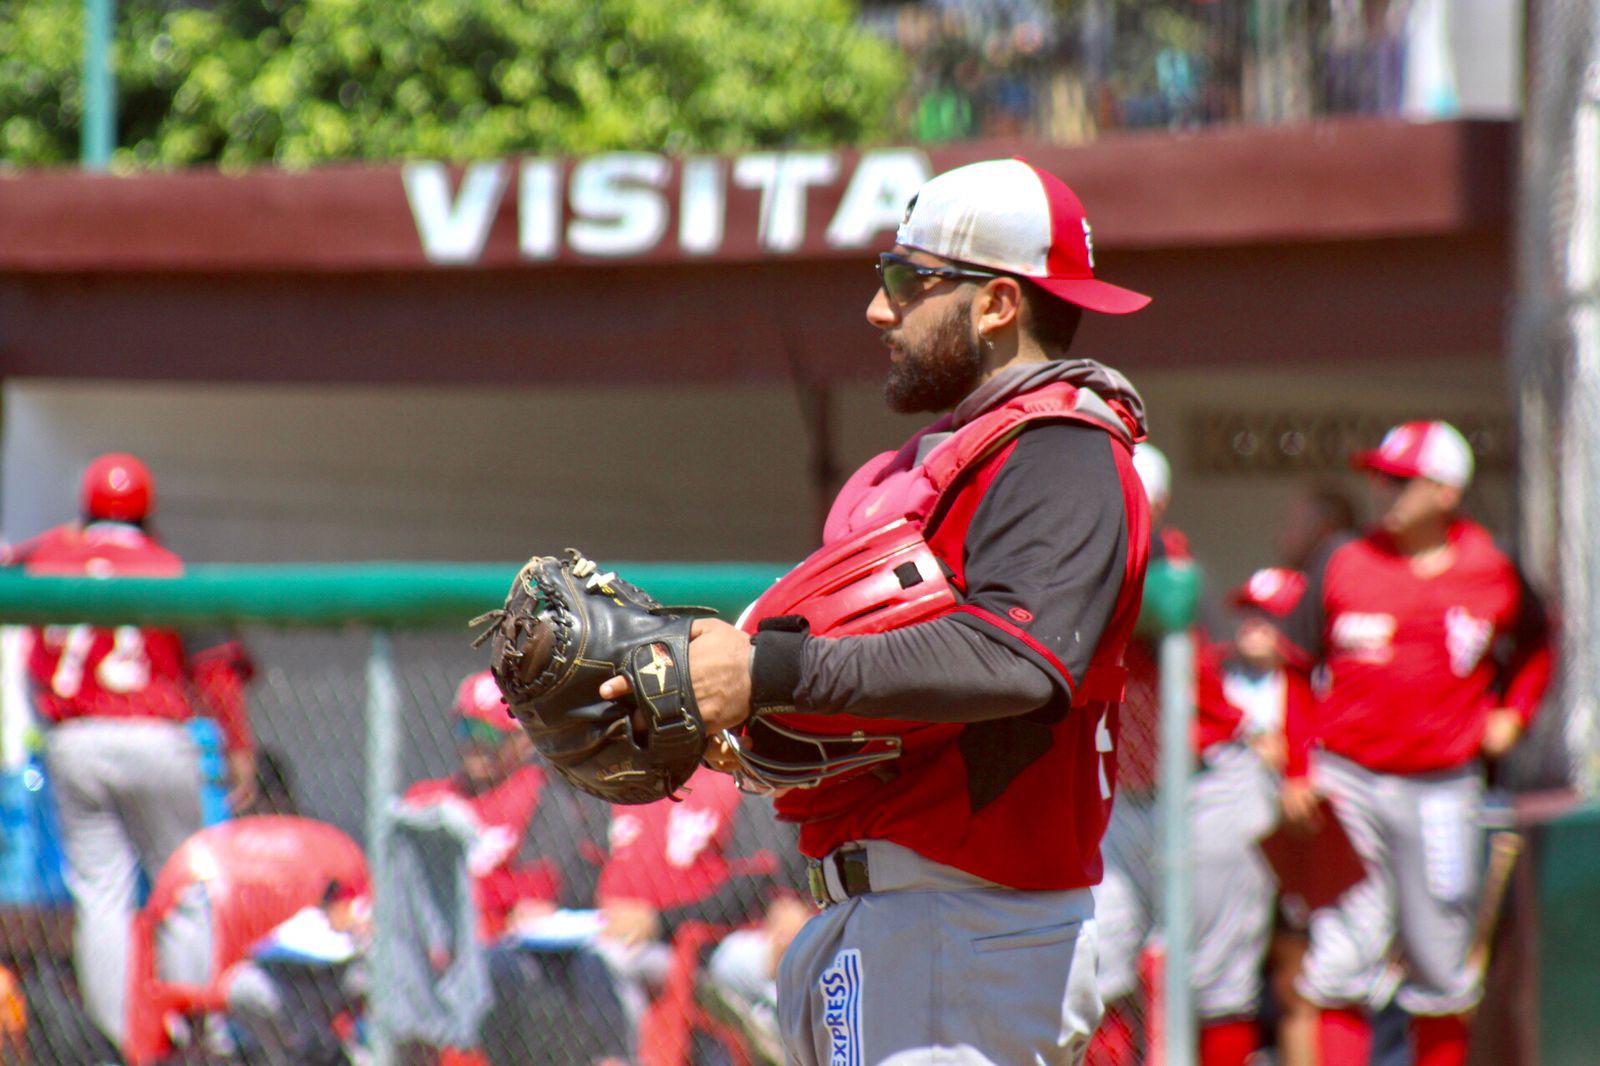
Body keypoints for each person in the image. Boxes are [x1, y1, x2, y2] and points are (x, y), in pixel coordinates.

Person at [602, 158, 1153, 1064]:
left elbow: (1017, 660)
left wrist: (768, 672)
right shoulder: (955, 459)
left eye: (908, 279)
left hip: (965, 927)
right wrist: (736, 701)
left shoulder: (1061, 453)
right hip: (902, 919)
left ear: (997, 304)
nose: (880, 309)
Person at [1277, 421, 1554, 1066]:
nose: (1383, 491)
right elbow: (1294, 663)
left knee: (1442, 962)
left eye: (1402, 481)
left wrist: (1515, 711)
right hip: (1348, 780)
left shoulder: (1492, 567)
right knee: (1341, 957)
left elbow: (1540, 643)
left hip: (1442, 786)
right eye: (1380, 476)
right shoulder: (1343, 558)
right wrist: (1297, 769)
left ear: (1445, 491)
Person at [6, 453, 256, 1047]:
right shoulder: (166, 564)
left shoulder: (48, 557)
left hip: (74, 742)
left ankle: (121, 1043)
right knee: (184, 885)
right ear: (147, 513)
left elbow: (14, 560)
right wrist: (239, 747)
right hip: (155, 735)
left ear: (85, 507)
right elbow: (216, 668)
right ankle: (191, 1029)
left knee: (101, 895)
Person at [1089, 439, 1193, 1065]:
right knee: (1105, 959)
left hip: (1182, 792)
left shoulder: (1169, 563)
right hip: (1112, 797)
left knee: (1187, 962)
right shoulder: (1076, 562)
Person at [1188, 568, 1313, 1066]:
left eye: (1270, 616)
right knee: (1224, 972)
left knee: (1298, 977)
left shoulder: (1311, 680)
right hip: (1242, 839)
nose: (1253, 625)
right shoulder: (1215, 671)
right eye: (1248, 612)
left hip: (1304, 844)